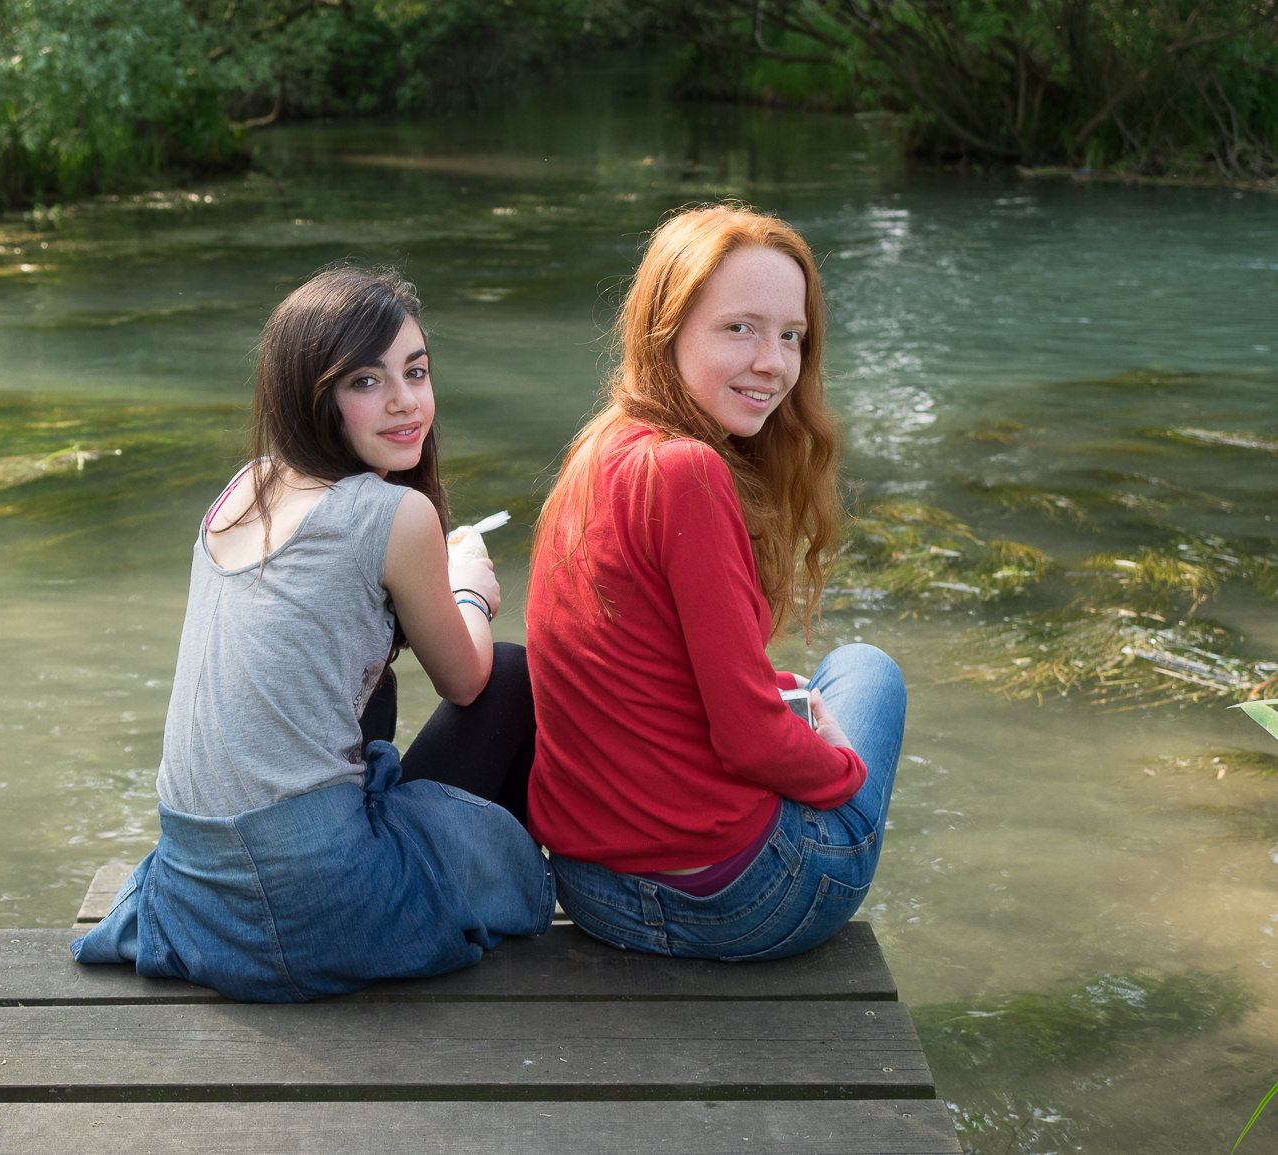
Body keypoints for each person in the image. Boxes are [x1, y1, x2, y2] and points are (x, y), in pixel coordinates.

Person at [71, 266, 553, 1001]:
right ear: (313, 395)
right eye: (366, 381)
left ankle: (430, 871)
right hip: (317, 900)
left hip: (199, 888)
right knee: (514, 672)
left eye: (416, 372)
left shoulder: (245, 486)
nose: (404, 402)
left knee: (377, 689)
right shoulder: (393, 515)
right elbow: (467, 680)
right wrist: (470, 592)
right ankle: (489, 891)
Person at [525, 204, 907, 961]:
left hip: (593, 891)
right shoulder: (688, 470)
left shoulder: (596, 450)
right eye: (741, 328)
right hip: (732, 902)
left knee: (800, 681)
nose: (773, 361)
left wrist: (776, 702)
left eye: (791, 336)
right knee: (867, 672)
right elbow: (749, 740)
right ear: (666, 331)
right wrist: (844, 771)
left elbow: (654, 675)